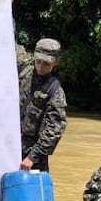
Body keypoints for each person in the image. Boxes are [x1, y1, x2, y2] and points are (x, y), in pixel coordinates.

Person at [19, 37, 67, 172]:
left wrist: (32, 157)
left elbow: (55, 129)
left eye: (46, 63)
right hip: (9, 146)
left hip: (32, 155)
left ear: (55, 63)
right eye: (38, 61)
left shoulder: (55, 91)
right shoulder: (23, 71)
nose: (40, 66)